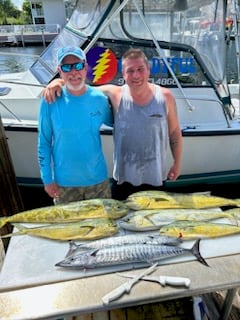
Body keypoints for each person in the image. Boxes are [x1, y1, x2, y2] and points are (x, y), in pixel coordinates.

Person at [42, 48, 182, 200]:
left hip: (156, 177)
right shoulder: (115, 94)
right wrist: (59, 81)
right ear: (123, 73)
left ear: (148, 69)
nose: (136, 75)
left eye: (140, 69)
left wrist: (177, 163)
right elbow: (80, 88)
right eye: (130, 71)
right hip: (123, 180)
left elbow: (174, 132)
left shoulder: (166, 96)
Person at [38, 46, 113, 204]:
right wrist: (47, 179)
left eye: (78, 65)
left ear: (85, 67)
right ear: (60, 71)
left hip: (98, 183)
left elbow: (117, 123)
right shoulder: (49, 100)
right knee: (67, 229)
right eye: (66, 67)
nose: (73, 72)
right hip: (64, 185)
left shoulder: (100, 99)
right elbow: (44, 142)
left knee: (104, 228)